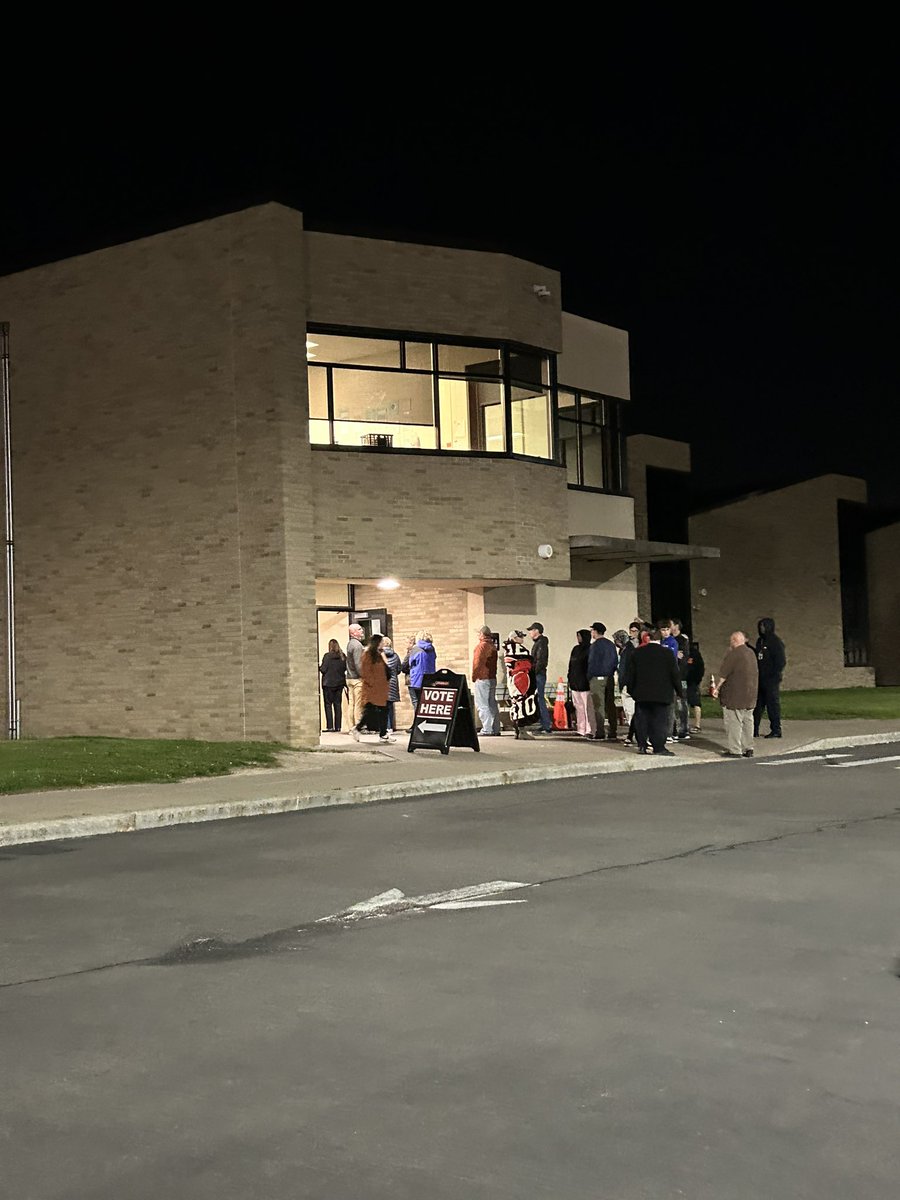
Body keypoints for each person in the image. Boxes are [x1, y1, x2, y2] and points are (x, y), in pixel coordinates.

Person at [622, 625, 682, 755]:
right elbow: (675, 674)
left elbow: (630, 675)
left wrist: (633, 691)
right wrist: (679, 691)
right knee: (659, 721)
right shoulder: (667, 654)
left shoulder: (637, 653)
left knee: (642, 720)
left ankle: (642, 745)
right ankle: (658, 746)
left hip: (642, 694)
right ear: (660, 639)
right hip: (662, 694)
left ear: (647, 638)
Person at [712, 631, 759, 757]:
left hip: (735, 696)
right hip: (750, 695)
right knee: (748, 721)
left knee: (734, 723)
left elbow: (724, 674)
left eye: (731, 641)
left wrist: (716, 688)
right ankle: (749, 748)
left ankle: (735, 750)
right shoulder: (751, 653)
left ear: (734, 640)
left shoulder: (734, 654)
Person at [351, 633, 395, 743]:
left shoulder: (379, 654)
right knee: (370, 712)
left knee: (383, 711)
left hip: (381, 688)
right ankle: (358, 728)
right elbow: (365, 672)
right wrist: (372, 683)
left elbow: (386, 669)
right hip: (372, 689)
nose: (383, 644)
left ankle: (383, 734)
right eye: (381, 642)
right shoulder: (368, 655)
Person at [754, 617, 787, 739]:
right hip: (760, 679)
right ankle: (754, 729)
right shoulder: (760, 641)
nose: (761, 628)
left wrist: (774, 675)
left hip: (771, 680)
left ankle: (776, 729)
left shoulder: (775, 642)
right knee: (757, 705)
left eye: (763, 626)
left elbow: (781, 661)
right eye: (760, 626)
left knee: (772, 705)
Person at [587, 622, 619, 740]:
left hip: (597, 678)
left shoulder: (595, 646)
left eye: (592, 631)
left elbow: (592, 662)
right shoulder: (611, 645)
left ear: (595, 631)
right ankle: (613, 730)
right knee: (610, 704)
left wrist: (589, 677)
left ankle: (600, 731)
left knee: (599, 705)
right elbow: (615, 661)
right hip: (609, 677)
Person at [402, 630, 437, 726]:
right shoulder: (431, 648)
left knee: (416, 702)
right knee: (427, 703)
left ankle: (418, 724)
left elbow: (408, 663)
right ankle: (428, 724)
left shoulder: (416, 649)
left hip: (417, 679)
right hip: (430, 679)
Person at [472, 625, 501, 736]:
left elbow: (477, 663)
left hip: (482, 677)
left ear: (481, 634)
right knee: (492, 703)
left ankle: (487, 729)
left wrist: (474, 676)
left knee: (482, 704)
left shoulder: (481, 647)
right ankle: (495, 728)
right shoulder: (492, 646)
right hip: (492, 677)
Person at [567, 629, 596, 737]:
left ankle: (589, 729)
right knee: (578, 706)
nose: (578, 638)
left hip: (585, 682)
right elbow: (571, 665)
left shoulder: (590, 649)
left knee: (587, 707)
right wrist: (569, 677)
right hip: (575, 682)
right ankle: (581, 728)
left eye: (579, 636)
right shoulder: (575, 649)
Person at [526, 622, 553, 734]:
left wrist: (533, 672)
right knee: (539, 699)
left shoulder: (540, 644)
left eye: (531, 630)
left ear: (537, 631)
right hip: (539, 674)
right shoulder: (540, 643)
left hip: (538, 675)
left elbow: (540, 661)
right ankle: (544, 724)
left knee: (539, 699)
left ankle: (546, 724)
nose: (530, 633)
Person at [616, 627, 639, 744]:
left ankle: (634, 733)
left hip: (627, 684)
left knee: (630, 710)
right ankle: (632, 733)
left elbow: (626, 669)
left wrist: (625, 684)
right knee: (628, 710)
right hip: (624, 683)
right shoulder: (624, 650)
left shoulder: (629, 651)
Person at [318, 638, 346, 733]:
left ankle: (330, 726)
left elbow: (323, 669)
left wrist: (318, 667)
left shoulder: (327, 656)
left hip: (328, 684)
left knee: (328, 705)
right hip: (339, 683)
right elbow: (344, 669)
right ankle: (338, 727)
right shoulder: (342, 656)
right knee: (338, 705)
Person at [671, 618, 691, 741]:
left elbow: (684, 657)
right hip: (671, 676)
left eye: (671, 625)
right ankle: (673, 729)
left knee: (681, 703)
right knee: (672, 704)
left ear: (677, 626)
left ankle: (683, 729)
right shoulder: (668, 640)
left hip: (681, 676)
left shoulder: (683, 640)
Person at [344, 623, 365, 732]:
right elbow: (358, 664)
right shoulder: (357, 645)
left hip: (349, 677)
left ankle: (351, 727)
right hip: (357, 679)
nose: (362, 631)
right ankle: (357, 726)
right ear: (353, 633)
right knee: (358, 703)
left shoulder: (350, 644)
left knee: (351, 703)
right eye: (359, 629)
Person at [381, 636, 402, 735]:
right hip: (393, 682)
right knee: (390, 706)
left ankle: (385, 727)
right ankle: (391, 728)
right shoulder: (396, 655)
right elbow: (399, 669)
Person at [685, 637, 706, 733]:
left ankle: (697, 725)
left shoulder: (694, 653)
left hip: (692, 682)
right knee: (683, 704)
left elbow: (700, 668)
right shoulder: (679, 651)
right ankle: (684, 725)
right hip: (682, 681)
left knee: (695, 702)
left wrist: (696, 680)